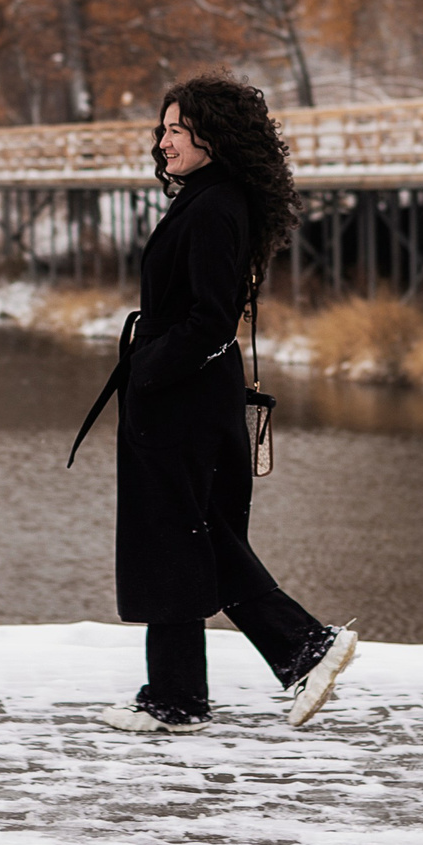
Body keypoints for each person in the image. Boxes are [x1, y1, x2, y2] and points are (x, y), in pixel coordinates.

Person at [93, 73, 356, 734]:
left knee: (189, 537)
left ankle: (302, 645)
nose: (164, 142)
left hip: (183, 396)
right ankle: (179, 695)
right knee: (187, 538)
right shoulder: (211, 197)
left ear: (212, 136)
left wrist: (147, 368)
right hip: (189, 391)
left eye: (176, 130)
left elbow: (211, 318)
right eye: (163, 129)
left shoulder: (213, 206)